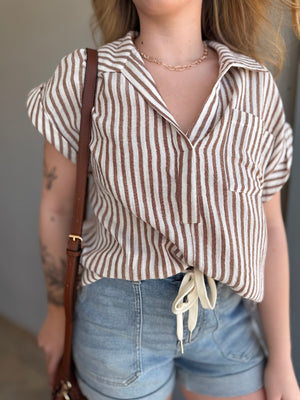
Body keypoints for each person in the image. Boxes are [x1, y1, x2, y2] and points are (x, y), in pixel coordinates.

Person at [27, 1, 300, 399]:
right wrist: (56, 313)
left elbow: (270, 229)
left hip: (229, 319)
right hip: (117, 323)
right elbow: (57, 209)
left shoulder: (254, 87)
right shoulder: (86, 77)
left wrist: (282, 358)